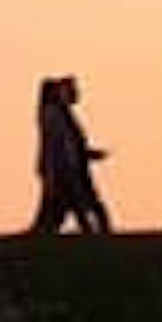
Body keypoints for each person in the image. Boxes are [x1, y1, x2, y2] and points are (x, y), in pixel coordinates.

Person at [30, 73, 113, 236]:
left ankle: (94, 233)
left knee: (63, 209)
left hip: (69, 168)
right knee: (83, 204)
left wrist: (89, 154)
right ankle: (98, 235)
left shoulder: (59, 114)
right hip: (65, 170)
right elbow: (58, 146)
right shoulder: (53, 114)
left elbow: (70, 144)